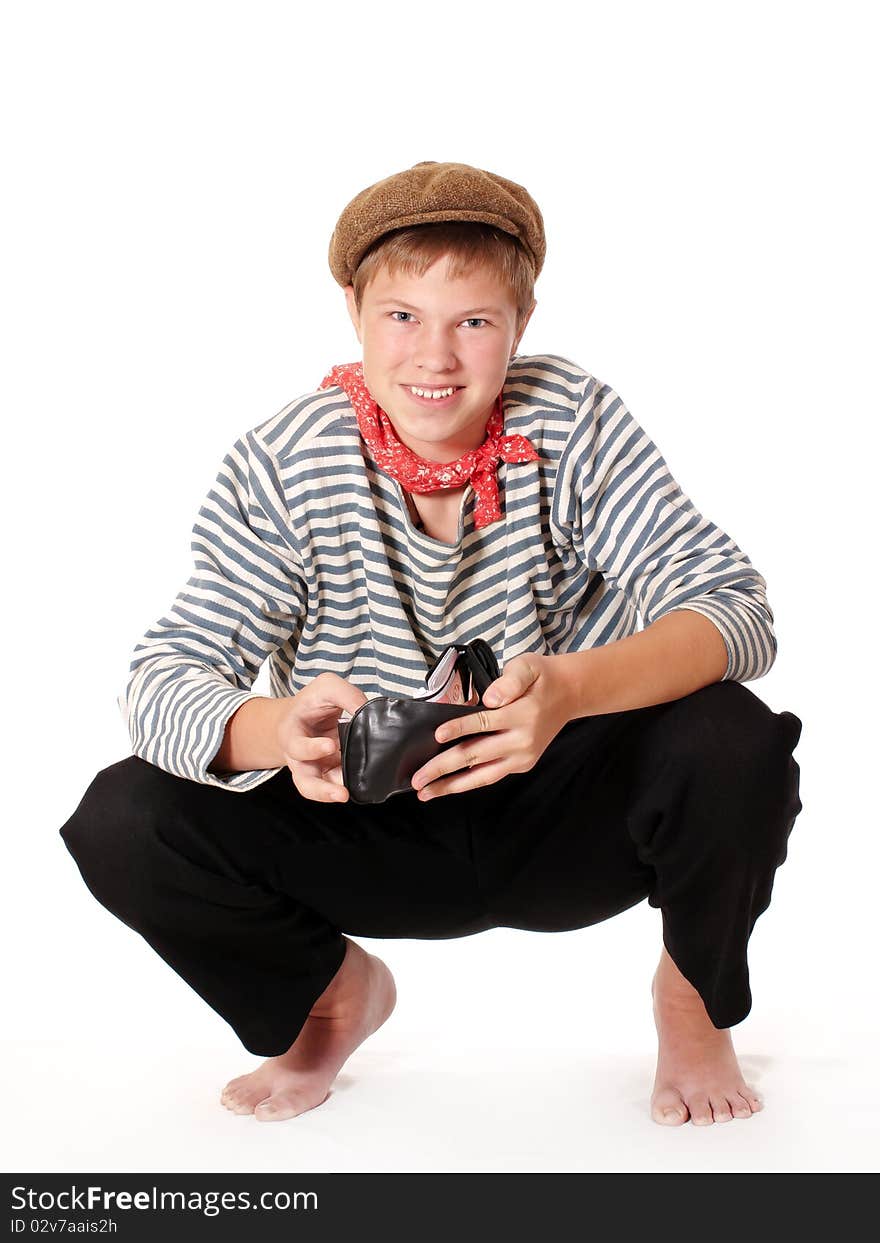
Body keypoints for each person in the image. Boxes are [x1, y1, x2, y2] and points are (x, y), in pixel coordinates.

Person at [59, 159, 803, 1128]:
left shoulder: (572, 418)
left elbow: (732, 607)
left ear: (520, 326)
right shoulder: (284, 460)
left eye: (474, 322)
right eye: (402, 316)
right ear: (354, 314)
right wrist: (280, 728)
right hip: (368, 816)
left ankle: (692, 1001)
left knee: (733, 739)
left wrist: (571, 689)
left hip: (557, 801)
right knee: (122, 815)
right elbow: (160, 679)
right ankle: (331, 995)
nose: (435, 358)